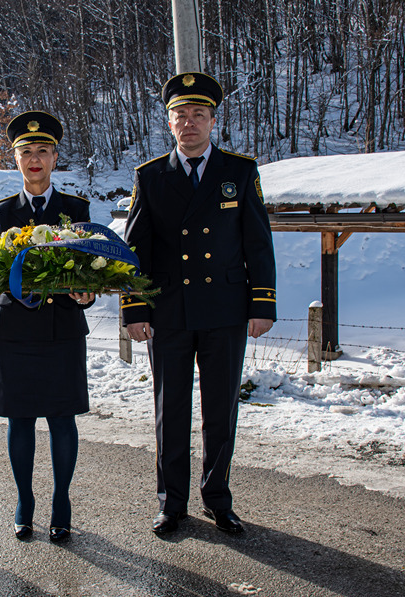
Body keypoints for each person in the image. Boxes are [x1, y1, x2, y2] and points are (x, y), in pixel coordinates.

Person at [122, 73, 276, 536]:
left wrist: (262, 302)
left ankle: (217, 498)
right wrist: (135, 308)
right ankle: (171, 503)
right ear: (169, 123)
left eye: (198, 115)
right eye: (180, 115)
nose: (189, 123)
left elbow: (258, 243)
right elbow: (135, 250)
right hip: (169, 311)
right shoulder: (150, 176)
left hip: (224, 309)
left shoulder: (240, 172)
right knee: (170, 410)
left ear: (212, 120)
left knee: (220, 410)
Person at [0, 111, 95, 543]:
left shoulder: (76, 210)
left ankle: (61, 500)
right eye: (26, 152)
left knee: (62, 419)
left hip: (62, 330)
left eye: (43, 151)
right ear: (15, 159)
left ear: (55, 157)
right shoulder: (1, 212)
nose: (35, 159)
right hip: (15, 332)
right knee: (20, 420)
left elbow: (91, 269)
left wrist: (86, 294)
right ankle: (25, 500)